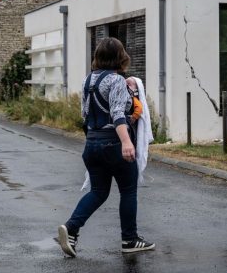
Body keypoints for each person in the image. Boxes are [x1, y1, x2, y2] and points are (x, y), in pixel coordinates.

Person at [57, 37, 155, 257]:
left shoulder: (88, 80)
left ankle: (71, 228)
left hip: (91, 142)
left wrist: (94, 141)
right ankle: (130, 240)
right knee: (128, 190)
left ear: (98, 56)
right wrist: (127, 142)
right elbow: (118, 114)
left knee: (98, 192)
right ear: (121, 57)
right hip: (114, 142)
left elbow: (84, 115)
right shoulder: (116, 80)